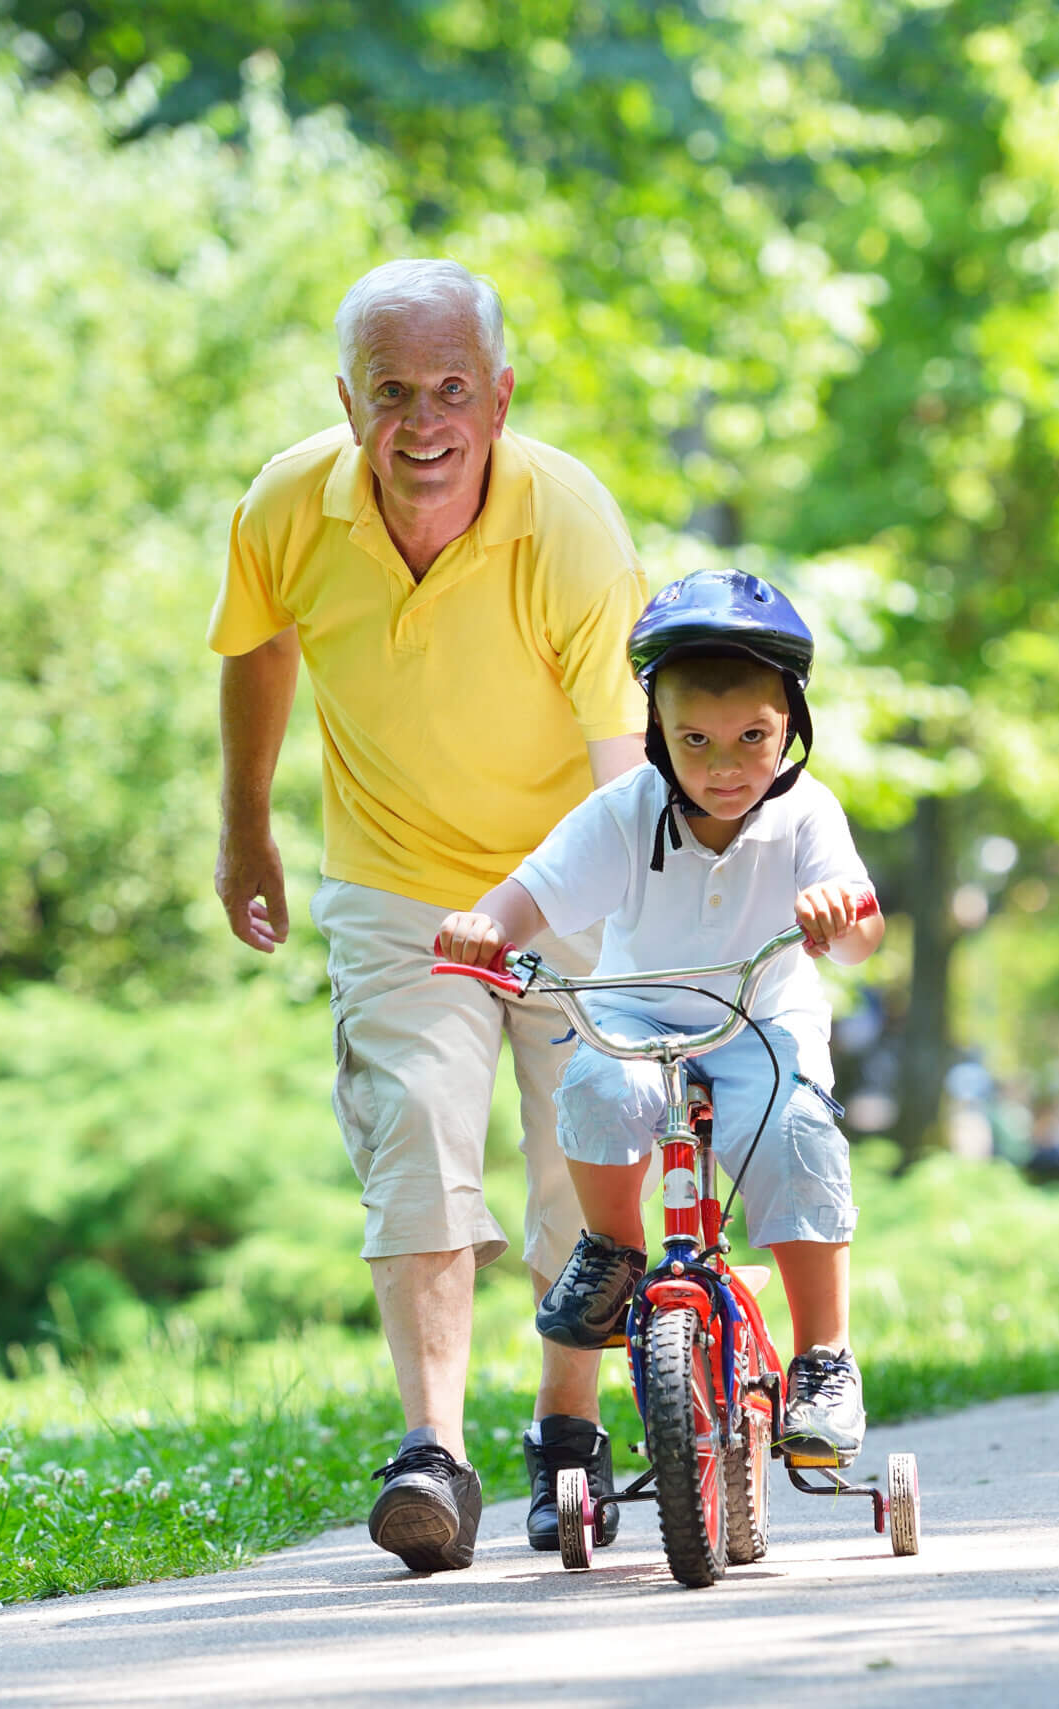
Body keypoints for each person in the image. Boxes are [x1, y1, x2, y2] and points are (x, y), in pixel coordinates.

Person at [209, 258, 650, 1572]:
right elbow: (259, 643)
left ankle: (568, 1432)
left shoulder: (569, 526)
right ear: (348, 401)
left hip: (571, 872)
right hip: (398, 878)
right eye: (393, 390)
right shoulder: (291, 504)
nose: (423, 422)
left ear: (500, 396)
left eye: (452, 387)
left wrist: (608, 935)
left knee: (588, 1166)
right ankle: (432, 1453)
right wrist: (246, 825)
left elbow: (622, 772)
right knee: (413, 1131)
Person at [432, 569, 886, 1462]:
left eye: (753, 737)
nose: (726, 766)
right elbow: (529, 895)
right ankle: (614, 1250)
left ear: (789, 726)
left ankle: (824, 1354)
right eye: (696, 741)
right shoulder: (624, 812)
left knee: (795, 1129)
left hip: (764, 1018)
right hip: (638, 1015)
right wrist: (486, 924)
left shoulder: (805, 814)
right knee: (598, 1085)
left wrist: (842, 920)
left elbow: (863, 931)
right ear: (657, 738)